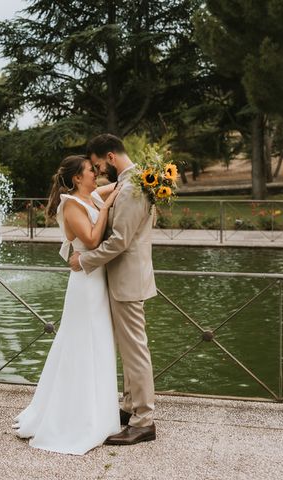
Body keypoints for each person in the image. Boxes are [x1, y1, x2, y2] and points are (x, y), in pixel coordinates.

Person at [12, 155, 121, 455]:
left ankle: (101, 411)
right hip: (85, 284)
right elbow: (91, 239)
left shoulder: (93, 196)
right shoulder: (71, 204)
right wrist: (108, 207)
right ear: (76, 177)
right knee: (81, 343)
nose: (96, 173)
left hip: (98, 280)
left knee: (99, 342)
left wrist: (147, 178)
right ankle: (75, 417)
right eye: (90, 170)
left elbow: (121, 184)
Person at [69, 133, 157, 446]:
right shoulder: (131, 182)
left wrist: (85, 260)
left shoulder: (133, 186)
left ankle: (144, 420)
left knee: (135, 350)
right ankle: (130, 406)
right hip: (126, 277)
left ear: (109, 156)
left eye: (97, 165)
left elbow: (120, 239)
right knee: (130, 347)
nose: (98, 171)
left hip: (128, 278)